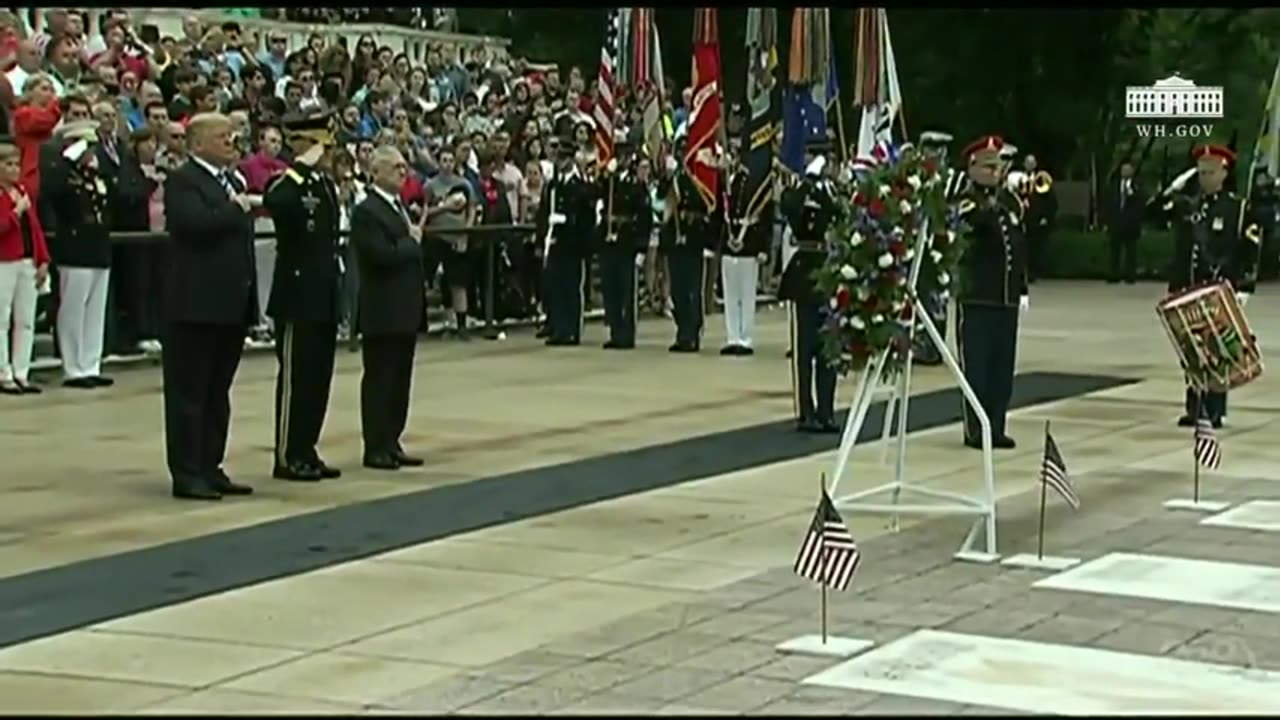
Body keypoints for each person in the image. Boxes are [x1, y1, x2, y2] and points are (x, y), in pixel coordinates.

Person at [162, 112, 260, 501]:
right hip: (194, 305)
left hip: (228, 304)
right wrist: (235, 209)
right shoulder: (183, 180)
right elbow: (194, 225)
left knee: (218, 390)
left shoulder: (232, 180)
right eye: (223, 137)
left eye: (233, 136)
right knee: (190, 391)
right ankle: (187, 471)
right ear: (198, 142)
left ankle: (210, 463)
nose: (231, 143)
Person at [263, 112, 343, 482]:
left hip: (323, 292)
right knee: (296, 379)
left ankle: (306, 447)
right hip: (296, 295)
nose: (328, 153)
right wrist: (298, 167)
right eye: (321, 146)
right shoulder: (288, 182)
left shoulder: (324, 185)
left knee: (318, 379)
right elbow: (275, 203)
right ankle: (286, 454)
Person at [1164, 144, 1262, 428]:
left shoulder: (1238, 208)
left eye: (1210, 172)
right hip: (1189, 286)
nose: (1204, 177)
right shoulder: (1187, 205)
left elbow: (1249, 248)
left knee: (1218, 348)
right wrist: (1176, 186)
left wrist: (1245, 285)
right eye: (1201, 172)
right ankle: (1194, 405)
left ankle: (1214, 409)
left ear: (1223, 172)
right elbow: (1157, 214)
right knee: (1192, 347)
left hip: (1219, 289)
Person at [351, 145, 426, 471]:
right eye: (395, 166)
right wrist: (411, 242)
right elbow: (380, 255)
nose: (403, 171)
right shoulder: (367, 211)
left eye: (404, 165)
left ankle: (392, 439)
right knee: (380, 379)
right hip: (382, 307)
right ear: (376, 171)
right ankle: (376, 445)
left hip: (405, 306)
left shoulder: (399, 207)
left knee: (400, 380)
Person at [955, 135, 1029, 450]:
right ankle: (976, 428)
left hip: (1005, 297)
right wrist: (992, 198)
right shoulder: (967, 200)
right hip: (977, 296)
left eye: (996, 166)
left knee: (1002, 367)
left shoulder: (1008, 202)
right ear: (972, 168)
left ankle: (997, 425)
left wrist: (1021, 288)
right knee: (978, 367)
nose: (993, 172)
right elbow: (977, 224)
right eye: (987, 167)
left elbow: (1020, 245)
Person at [43, 121, 114, 389]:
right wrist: (69, 159)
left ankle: (90, 363)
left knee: (95, 310)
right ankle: (73, 367)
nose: (89, 151)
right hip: (74, 248)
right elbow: (53, 192)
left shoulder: (94, 174)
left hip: (97, 246)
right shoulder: (62, 172)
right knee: (73, 308)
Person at [779, 142, 839, 433]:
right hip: (804, 271)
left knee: (828, 348)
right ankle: (806, 411)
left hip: (827, 270)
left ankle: (826, 411)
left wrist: (820, 188)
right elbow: (788, 208)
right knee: (805, 349)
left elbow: (840, 215)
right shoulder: (798, 187)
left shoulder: (831, 191)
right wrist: (808, 183)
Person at [535, 143, 596, 346]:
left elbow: (587, 218)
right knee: (556, 287)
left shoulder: (580, 187)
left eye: (563, 159)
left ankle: (572, 330)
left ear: (571, 160)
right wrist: (541, 239)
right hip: (555, 242)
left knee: (571, 288)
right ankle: (559, 328)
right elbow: (543, 214)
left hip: (572, 244)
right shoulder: (553, 185)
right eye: (558, 159)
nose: (560, 163)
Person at [0, 142, 49, 395]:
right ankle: (3, 372)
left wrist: (42, 259)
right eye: (7, 164)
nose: (13, 169)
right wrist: (14, 213)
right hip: (4, 261)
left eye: (16, 164)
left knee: (25, 319)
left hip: (26, 261)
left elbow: (35, 229)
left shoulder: (22, 191)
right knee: (1, 319)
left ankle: (22, 371)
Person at [597, 141, 651, 350]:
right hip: (609, 240)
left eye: (625, 157)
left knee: (626, 290)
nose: (622, 161)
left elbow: (644, 219)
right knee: (610, 289)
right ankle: (614, 330)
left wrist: (641, 249)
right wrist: (604, 176)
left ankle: (626, 333)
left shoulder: (636, 184)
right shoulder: (610, 182)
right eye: (619, 157)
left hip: (627, 241)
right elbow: (596, 194)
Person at [662, 148, 715, 353]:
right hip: (676, 239)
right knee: (678, 290)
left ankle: (693, 332)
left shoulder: (700, 176)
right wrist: (667, 178)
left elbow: (707, 204)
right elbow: (661, 198)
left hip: (694, 238)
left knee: (693, 289)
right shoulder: (674, 176)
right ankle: (681, 330)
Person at [720, 153, 771, 356]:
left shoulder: (757, 183)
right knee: (730, 295)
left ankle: (746, 337)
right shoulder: (730, 181)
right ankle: (732, 336)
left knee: (747, 294)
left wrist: (763, 247)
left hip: (749, 243)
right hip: (730, 242)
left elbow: (766, 215)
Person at [913, 130, 955, 367]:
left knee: (936, 297)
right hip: (922, 244)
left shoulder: (946, 181)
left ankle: (932, 345)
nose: (935, 155)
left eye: (938, 151)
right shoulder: (919, 178)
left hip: (939, 244)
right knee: (923, 295)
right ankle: (923, 342)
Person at [1105, 160, 1145, 284]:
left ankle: (1130, 276)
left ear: (1132, 171)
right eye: (1123, 170)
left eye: (1128, 169)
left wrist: (1132, 194)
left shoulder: (1137, 185)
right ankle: (1113, 275)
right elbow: (1109, 202)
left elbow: (1142, 202)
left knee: (1131, 252)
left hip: (1131, 223)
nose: (1125, 172)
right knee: (1114, 251)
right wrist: (1107, 220)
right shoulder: (1114, 184)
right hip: (1116, 222)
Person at [1021, 153, 1057, 282]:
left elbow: (1051, 201)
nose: (1030, 165)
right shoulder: (1018, 179)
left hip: (1036, 219)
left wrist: (1045, 217)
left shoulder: (1042, 178)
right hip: (1021, 217)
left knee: (1035, 248)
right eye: (1027, 162)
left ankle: (1033, 274)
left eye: (1032, 162)